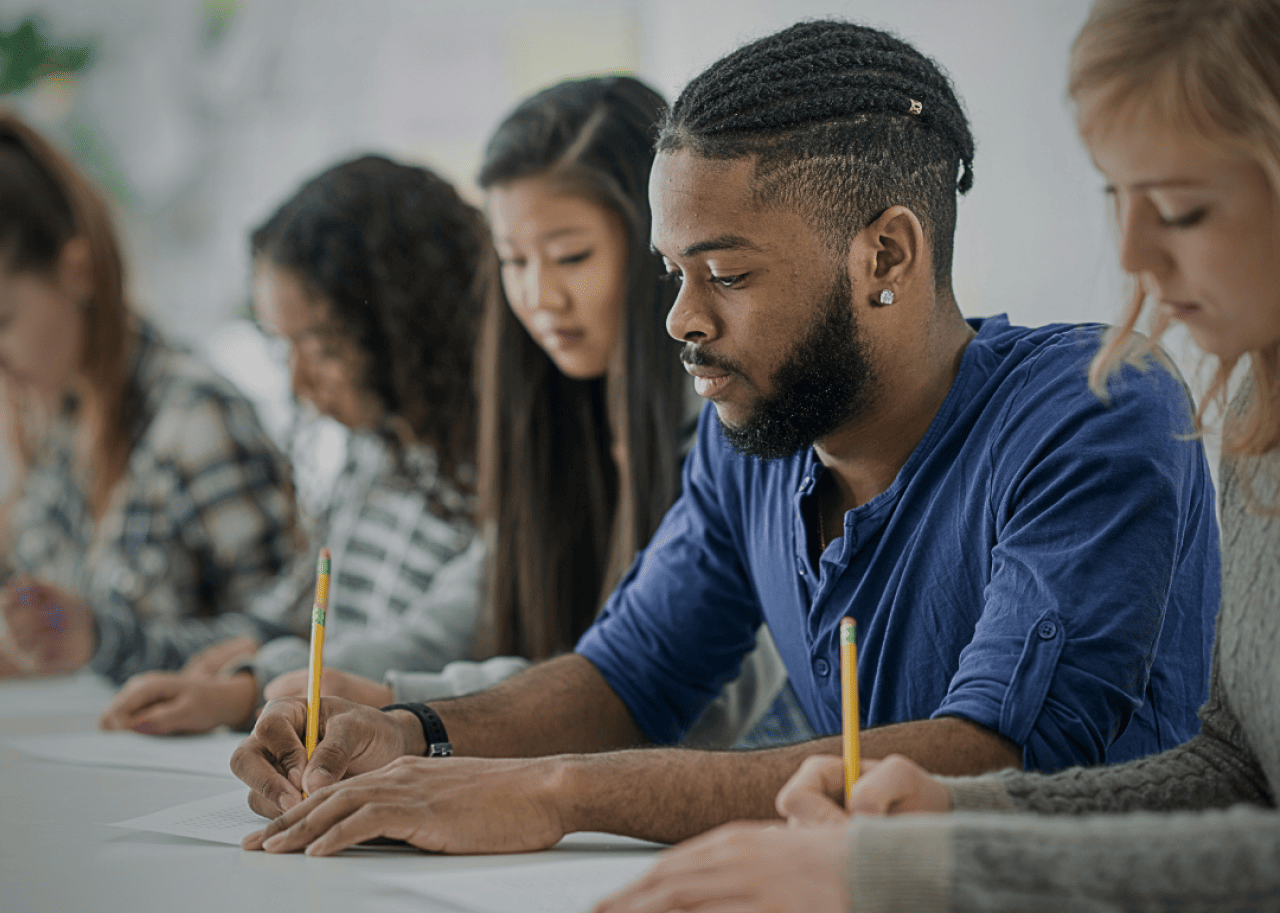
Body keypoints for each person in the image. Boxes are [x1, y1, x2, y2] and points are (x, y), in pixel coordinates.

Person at [230, 21, 1220, 857]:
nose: (679, 320)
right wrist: (411, 734)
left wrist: (557, 793)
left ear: (884, 253)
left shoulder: (1092, 404)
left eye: (726, 275)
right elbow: (627, 677)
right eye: (672, 272)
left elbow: (989, 761)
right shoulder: (750, 435)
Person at [595, 1, 1280, 910]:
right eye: (1116, 199)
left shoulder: (1095, 403)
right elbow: (1236, 768)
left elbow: (1011, 745)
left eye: (1182, 209)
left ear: (886, 253)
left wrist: (922, 854)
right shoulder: (1254, 402)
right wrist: (950, 810)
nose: (1130, 255)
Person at [263, 77, 799, 749]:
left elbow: (678, 692)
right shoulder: (560, 412)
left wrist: (403, 703)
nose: (540, 296)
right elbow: (471, 599)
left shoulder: (736, 429)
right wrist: (291, 679)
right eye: (514, 261)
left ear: (660, 247)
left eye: (572, 257)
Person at [97, 155, 491, 733]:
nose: (299, 386)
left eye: (326, 348)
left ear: (408, 325)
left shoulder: (499, 462)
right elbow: (295, 617)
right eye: (284, 349)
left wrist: (259, 680)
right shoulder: (375, 450)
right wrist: (239, 659)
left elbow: (434, 641)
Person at [0, 112, 296, 684]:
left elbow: (292, 643)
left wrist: (101, 640)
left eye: (3, 320)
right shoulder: (50, 421)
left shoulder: (196, 418)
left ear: (76, 271)